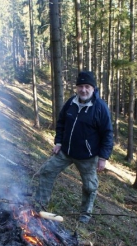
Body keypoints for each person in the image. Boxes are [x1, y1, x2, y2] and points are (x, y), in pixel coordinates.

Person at [35, 71, 114, 224]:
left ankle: (85, 214)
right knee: (46, 171)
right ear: (76, 88)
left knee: (90, 187)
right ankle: (40, 204)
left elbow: (108, 134)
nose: (83, 90)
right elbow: (61, 122)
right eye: (80, 86)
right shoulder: (71, 102)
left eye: (87, 86)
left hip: (87, 156)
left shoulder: (100, 108)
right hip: (65, 151)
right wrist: (58, 142)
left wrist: (103, 157)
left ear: (93, 88)